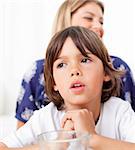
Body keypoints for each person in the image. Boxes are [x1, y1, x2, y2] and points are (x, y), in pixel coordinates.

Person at [1, 26, 135, 150]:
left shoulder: (120, 112)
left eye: (84, 60)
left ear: (106, 72)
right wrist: (55, 144)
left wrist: (92, 138)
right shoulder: (44, 118)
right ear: (54, 82)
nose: (74, 70)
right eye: (61, 65)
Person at [15, 0, 135, 128]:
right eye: (89, 18)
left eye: (101, 21)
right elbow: (22, 136)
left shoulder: (119, 69)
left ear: (106, 73)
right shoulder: (36, 72)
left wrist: (92, 138)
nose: (99, 26)